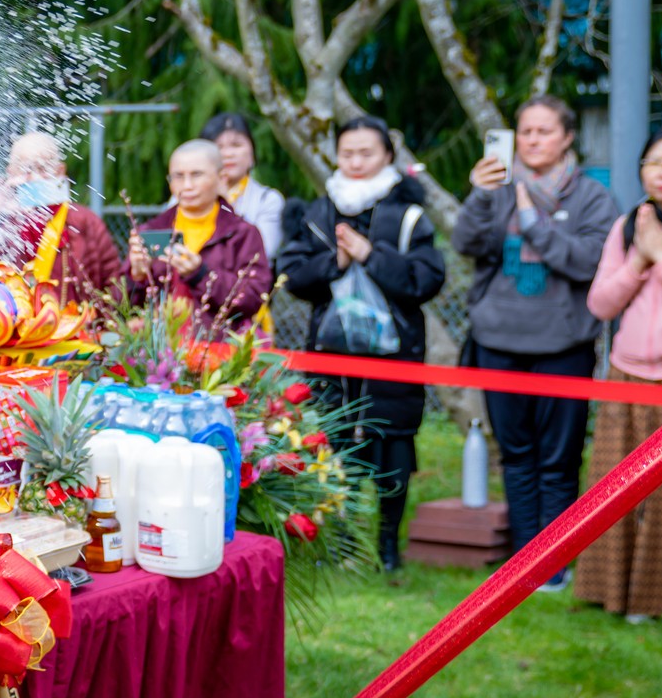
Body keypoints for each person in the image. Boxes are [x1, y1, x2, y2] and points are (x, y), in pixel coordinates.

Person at [452, 96, 615, 590]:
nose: (533, 140)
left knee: (559, 458)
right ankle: (525, 561)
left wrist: (534, 224)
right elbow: (466, 243)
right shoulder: (499, 188)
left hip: (563, 345)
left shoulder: (591, 197)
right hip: (498, 340)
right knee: (516, 454)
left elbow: (589, 261)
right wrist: (481, 195)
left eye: (545, 131)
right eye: (525, 131)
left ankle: (555, 563)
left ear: (567, 137)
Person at [276, 115, 446, 573]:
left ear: (387, 155)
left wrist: (372, 256)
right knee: (331, 447)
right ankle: (341, 541)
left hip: (394, 358)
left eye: (366, 153)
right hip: (330, 357)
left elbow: (427, 279)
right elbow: (292, 275)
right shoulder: (318, 211)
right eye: (347, 153)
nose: (355, 162)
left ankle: (388, 545)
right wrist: (335, 261)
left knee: (393, 450)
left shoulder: (408, 215)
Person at [578, 124, 662, 631]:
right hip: (627, 375)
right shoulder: (629, 225)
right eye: (654, 162)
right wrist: (639, 257)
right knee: (618, 490)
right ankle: (618, 594)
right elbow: (600, 304)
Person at [0, 131, 123, 297]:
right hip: (6, 321)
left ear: (60, 172)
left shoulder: (83, 220)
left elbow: (115, 287)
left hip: (67, 321)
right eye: (25, 170)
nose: (33, 178)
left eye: (42, 169)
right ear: (11, 173)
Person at [126, 138, 272, 330]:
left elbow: (253, 299)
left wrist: (201, 275)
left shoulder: (241, 234)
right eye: (178, 176)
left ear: (221, 178)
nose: (187, 186)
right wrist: (136, 276)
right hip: (160, 344)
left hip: (220, 342)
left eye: (196, 175)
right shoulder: (151, 231)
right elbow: (121, 306)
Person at [200, 111, 286, 259]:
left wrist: (223, 204)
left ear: (252, 154)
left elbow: (262, 252)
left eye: (236, 145)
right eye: (219, 146)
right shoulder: (184, 196)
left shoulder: (268, 200)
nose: (228, 154)